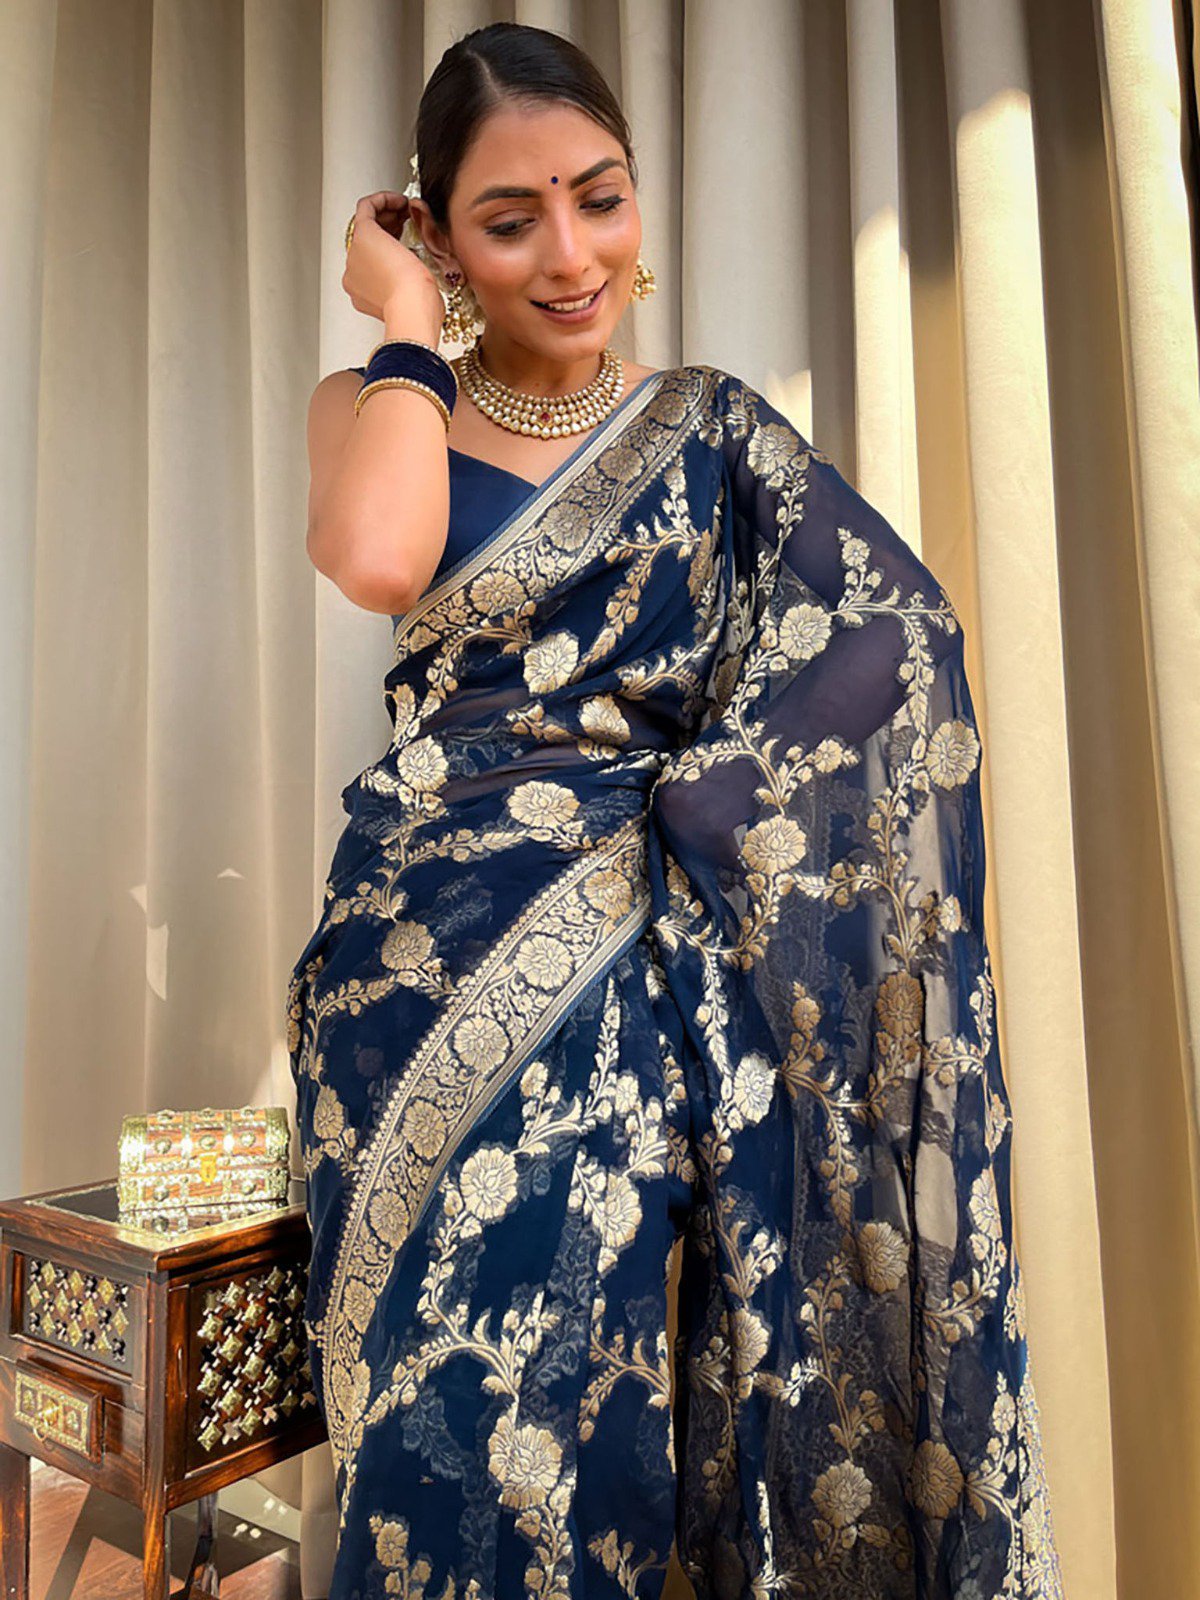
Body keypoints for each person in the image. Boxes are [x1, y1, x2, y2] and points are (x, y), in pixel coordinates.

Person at [287, 20, 1065, 1600]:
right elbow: (377, 558)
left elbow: (892, 637)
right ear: (438, 234)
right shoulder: (378, 403)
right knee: (420, 1425)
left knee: (592, 1420)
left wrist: (704, 808)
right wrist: (406, 327)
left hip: (632, 968)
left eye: (600, 197)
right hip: (404, 965)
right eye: (510, 220)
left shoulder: (711, 433)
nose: (572, 255)